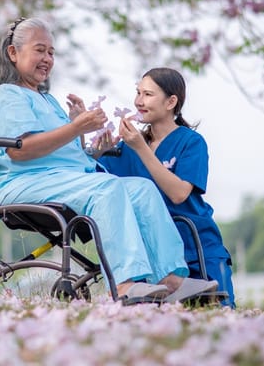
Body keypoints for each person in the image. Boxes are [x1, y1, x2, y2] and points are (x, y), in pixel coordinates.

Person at [0, 17, 218, 303]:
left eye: (52, 52)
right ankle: (123, 284)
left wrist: (84, 140)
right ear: (13, 53)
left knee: (142, 189)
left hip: (62, 180)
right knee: (108, 187)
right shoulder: (5, 96)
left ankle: (169, 278)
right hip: (23, 181)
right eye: (40, 50)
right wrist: (76, 127)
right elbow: (20, 149)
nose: (47, 59)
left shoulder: (47, 100)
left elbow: (65, 154)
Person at [98, 67, 235, 307]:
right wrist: (91, 144)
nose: (138, 101)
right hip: (155, 257)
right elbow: (96, 185)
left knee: (219, 315)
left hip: (196, 246)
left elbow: (179, 193)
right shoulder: (127, 147)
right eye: (138, 92)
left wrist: (141, 148)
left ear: (172, 101)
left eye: (148, 94)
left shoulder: (191, 142)